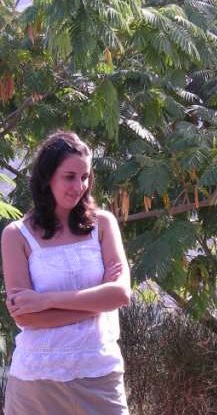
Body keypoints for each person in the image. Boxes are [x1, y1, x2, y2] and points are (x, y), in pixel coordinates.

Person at [1, 131, 131, 414]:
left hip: (100, 372)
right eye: (69, 176)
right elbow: (25, 317)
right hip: (36, 380)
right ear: (48, 177)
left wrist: (44, 301)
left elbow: (120, 295)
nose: (79, 186)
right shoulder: (16, 235)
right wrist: (97, 303)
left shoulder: (104, 224)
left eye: (85, 177)